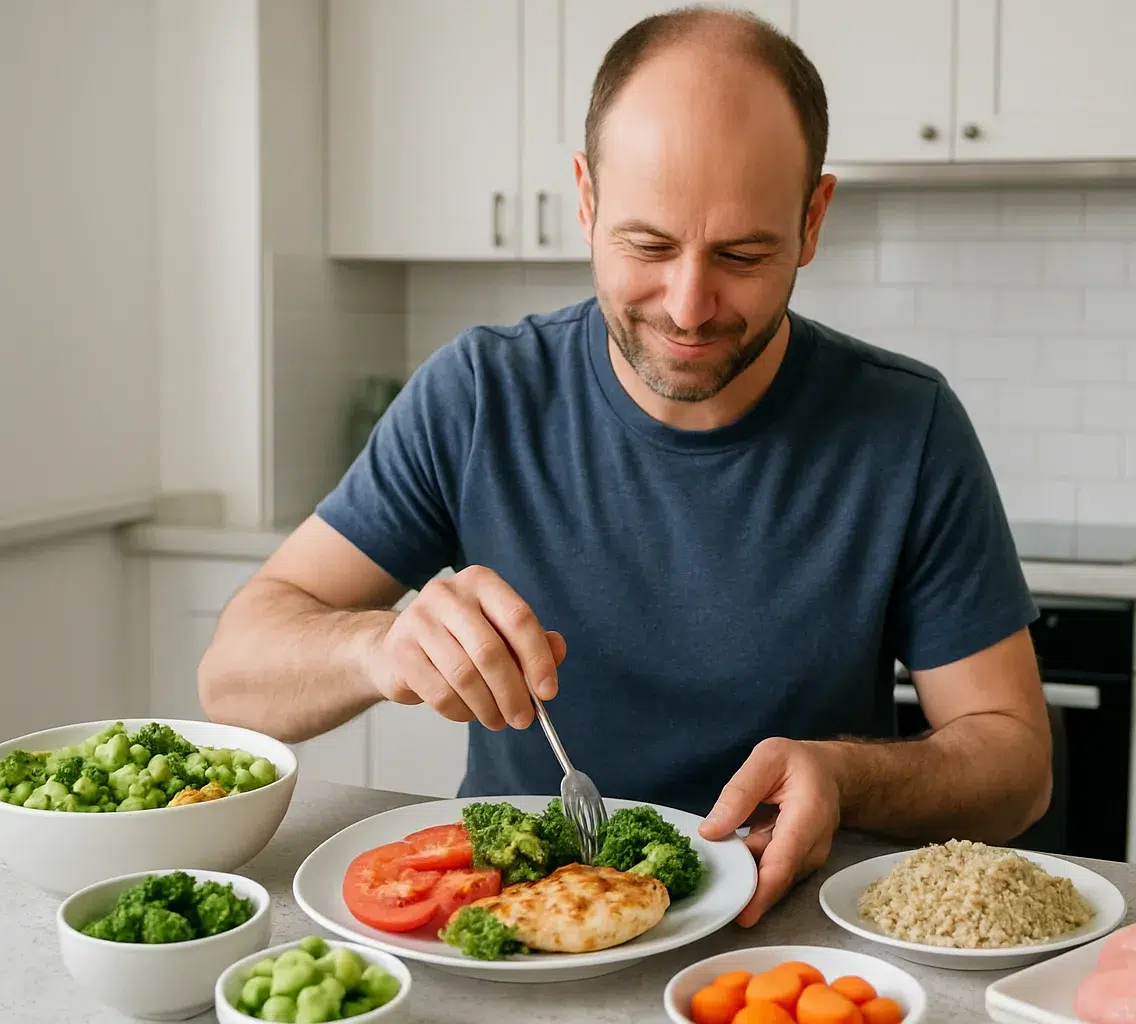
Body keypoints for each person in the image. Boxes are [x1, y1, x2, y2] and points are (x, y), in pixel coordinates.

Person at [198, 5, 1052, 928]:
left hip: (787, 950)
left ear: (812, 221)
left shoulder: (905, 425)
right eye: (648, 245)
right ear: (586, 200)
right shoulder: (480, 394)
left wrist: (848, 775)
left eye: (742, 254)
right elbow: (233, 676)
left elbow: (1015, 772)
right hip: (525, 939)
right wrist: (376, 646)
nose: (688, 306)